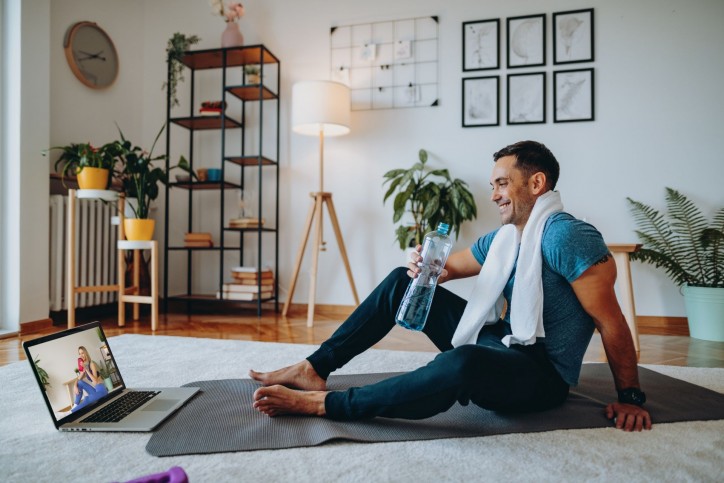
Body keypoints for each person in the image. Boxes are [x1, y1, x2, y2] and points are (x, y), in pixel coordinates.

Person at [250, 140, 652, 432]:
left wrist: (631, 398)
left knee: (462, 363)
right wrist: (424, 266)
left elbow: (611, 322)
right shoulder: (506, 237)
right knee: (399, 284)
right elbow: (447, 267)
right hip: (503, 341)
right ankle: (313, 368)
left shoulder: (567, 237)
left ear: (536, 183)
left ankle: (326, 405)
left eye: (500, 183)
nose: (493, 194)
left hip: (541, 375)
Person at [72, 346, 108, 412]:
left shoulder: (92, 363)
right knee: (79, 383)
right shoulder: (84, 366)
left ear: (86, 353)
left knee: (88, 399)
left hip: (102, 391)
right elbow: (78, 378)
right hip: (95, 392)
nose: (81, 355)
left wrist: (86, 369)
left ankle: (71, 412)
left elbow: (95, 381)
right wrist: (75, 386)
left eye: (82, 353)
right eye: (79, 354)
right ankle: (75, 406)